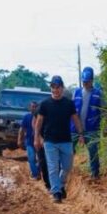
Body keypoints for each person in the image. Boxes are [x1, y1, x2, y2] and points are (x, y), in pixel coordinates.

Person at [35, 75, 85, 203]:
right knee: (53, 168)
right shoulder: (45, 104)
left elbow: (76, 119)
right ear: (51, 88)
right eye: (53, 87)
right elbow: (39, 122)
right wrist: (37, 138)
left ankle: (61, 185)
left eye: (58, 87)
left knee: (67, 167)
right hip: (49, 141)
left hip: (66, 140)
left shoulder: (68, 104)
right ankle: (56, 192)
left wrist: (81, 134)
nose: (55, 90)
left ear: (62, 88)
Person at [72, 66, 105, 179]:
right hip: (75, 128)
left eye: (87, 81)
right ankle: (66, 170)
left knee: (93, 151)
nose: (85, 83)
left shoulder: (98, 94)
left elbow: (105, 111)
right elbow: (71, 110)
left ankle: (95, 174)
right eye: (84, 81)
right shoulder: (76, 93)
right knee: (68, 149)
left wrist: (106, 126)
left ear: (92, 80)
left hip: (92, 129)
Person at [17, 100, 51, 190]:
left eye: (35, 107)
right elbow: (22, 129)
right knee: (31, 158)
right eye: (32, 106)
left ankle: (38, 171)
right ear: (29, 108)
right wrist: (19, 139)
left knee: (41, 159)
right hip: (29, 141)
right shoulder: (26, 117)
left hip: (40, 141)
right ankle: (36, 174)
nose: (34, 108)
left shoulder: (43, 117)